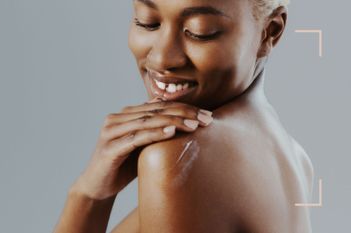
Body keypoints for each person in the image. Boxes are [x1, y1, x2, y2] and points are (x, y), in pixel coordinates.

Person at [54, 0, 314, 232]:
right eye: (148, 23)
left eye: (200, 32)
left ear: (270, 31)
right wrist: (91, 193)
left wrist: (86, 197)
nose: (162, 58)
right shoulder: (295, 158)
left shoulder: (180, 156)